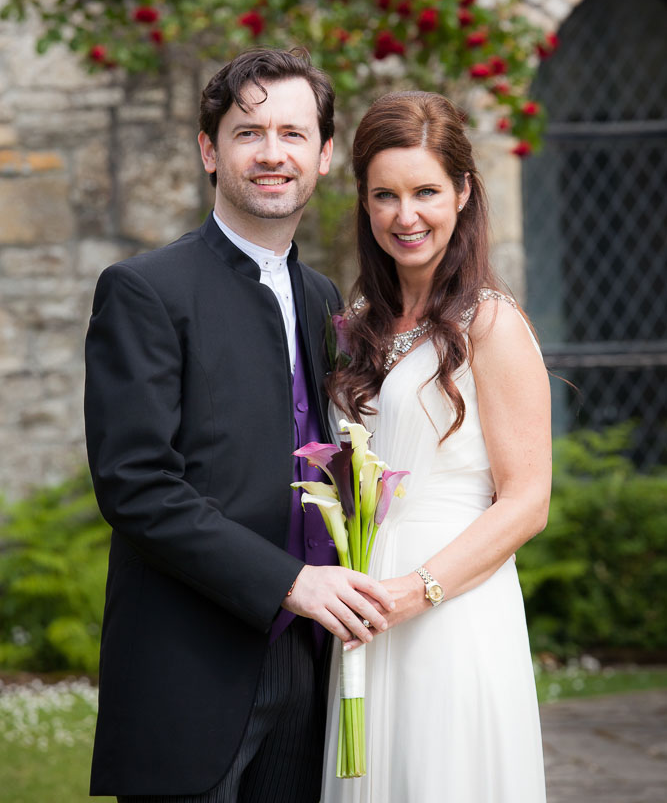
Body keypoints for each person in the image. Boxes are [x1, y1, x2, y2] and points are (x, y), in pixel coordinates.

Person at [84, 47, 394, 803]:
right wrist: (291, 582)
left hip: (311, 670)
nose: (270, 154)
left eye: (292, 134)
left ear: (322, 157)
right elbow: (136, 486)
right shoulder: (143, 289)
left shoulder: (325, 299)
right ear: (208, 151)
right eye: (248, 132)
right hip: (188, 669)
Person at [321, 90, 551, 802]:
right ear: (363, 203)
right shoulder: (360, 324)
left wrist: (414, 591)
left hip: (451, 608)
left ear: (462, 191)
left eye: (424, 190)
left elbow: (526, 502)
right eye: (383, 195)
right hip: (363, 604)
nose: (404, 215)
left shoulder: (491, 324)